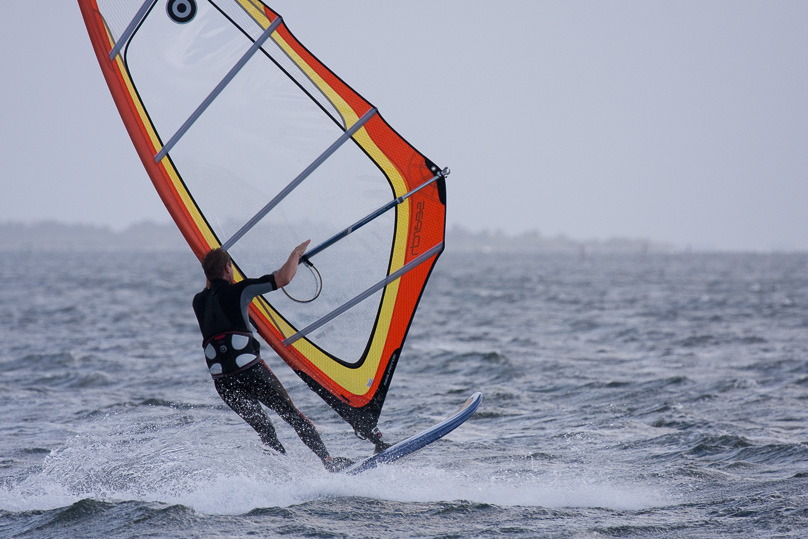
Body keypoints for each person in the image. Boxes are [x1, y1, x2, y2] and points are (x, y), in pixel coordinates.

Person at [192, 241, 352, 472]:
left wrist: (211, 269)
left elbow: (210, 286)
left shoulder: (198, 301)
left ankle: (282, 475)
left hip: (224, 383)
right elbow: (283, 279)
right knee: (292, 416)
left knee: (264, 429)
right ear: (228, 268)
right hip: (250, 372)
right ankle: (328, 462)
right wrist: (295, 254)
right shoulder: (240, 290)